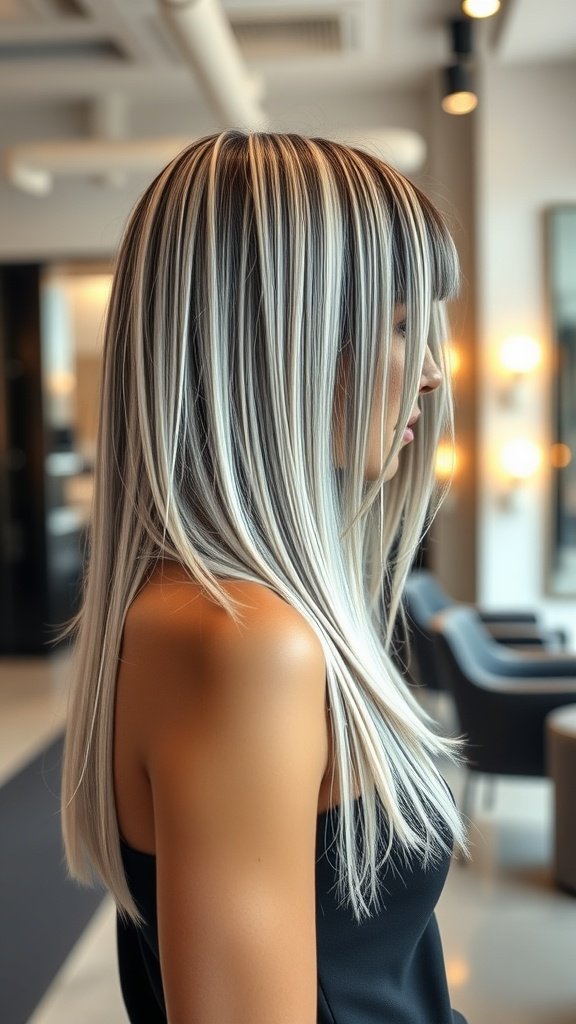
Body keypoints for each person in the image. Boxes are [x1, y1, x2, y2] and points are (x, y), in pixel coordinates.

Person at [60, 129, 470, 1024]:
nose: (433, 374)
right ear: (276, 343)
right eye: (401, 327)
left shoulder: (216, 615)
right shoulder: (245, 642)